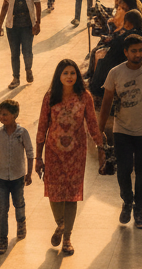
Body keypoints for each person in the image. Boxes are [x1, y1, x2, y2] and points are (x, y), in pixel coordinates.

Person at [37, 60, 105, 253]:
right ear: (59, 76)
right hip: (53, 153)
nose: (69, 76)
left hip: (76, 154)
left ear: (77, 76)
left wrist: (101, 147)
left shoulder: (85, 97)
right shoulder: (50, 97)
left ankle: (67, 239)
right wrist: (38, 157)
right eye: (65, 73)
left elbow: (92, 123)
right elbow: (42, 127)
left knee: (72, 195)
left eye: (72, 73)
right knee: (54, 192)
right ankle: (60, 224)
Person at [98, 35, 142, 221]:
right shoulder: (115, 73)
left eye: (141, 50)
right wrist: (100, 130)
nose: (138, 54)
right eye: (134, 51)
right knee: (124, 169)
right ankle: (127, 201)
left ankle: (139, 210)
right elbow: (106, 104)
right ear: (126, 52)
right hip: (122, 130)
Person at [0, 97, 34, 255]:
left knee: (19, 203)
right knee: (2, 209)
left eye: (5, 114)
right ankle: (2, 239)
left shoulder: (22, 133)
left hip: (17, 177)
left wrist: (28, 173)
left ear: (15, 115)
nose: (2, 117)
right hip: (1, 178)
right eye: (0, 114)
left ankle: (21, 223)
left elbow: (30, 153)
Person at [0, 0, 42, 90]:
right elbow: (5, 6)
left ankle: (28, 69)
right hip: (12, 26)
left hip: (27, 25)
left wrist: (38, 23)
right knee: (14, 53)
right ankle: (16, 78)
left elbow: (37, 5)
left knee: (27, 51)